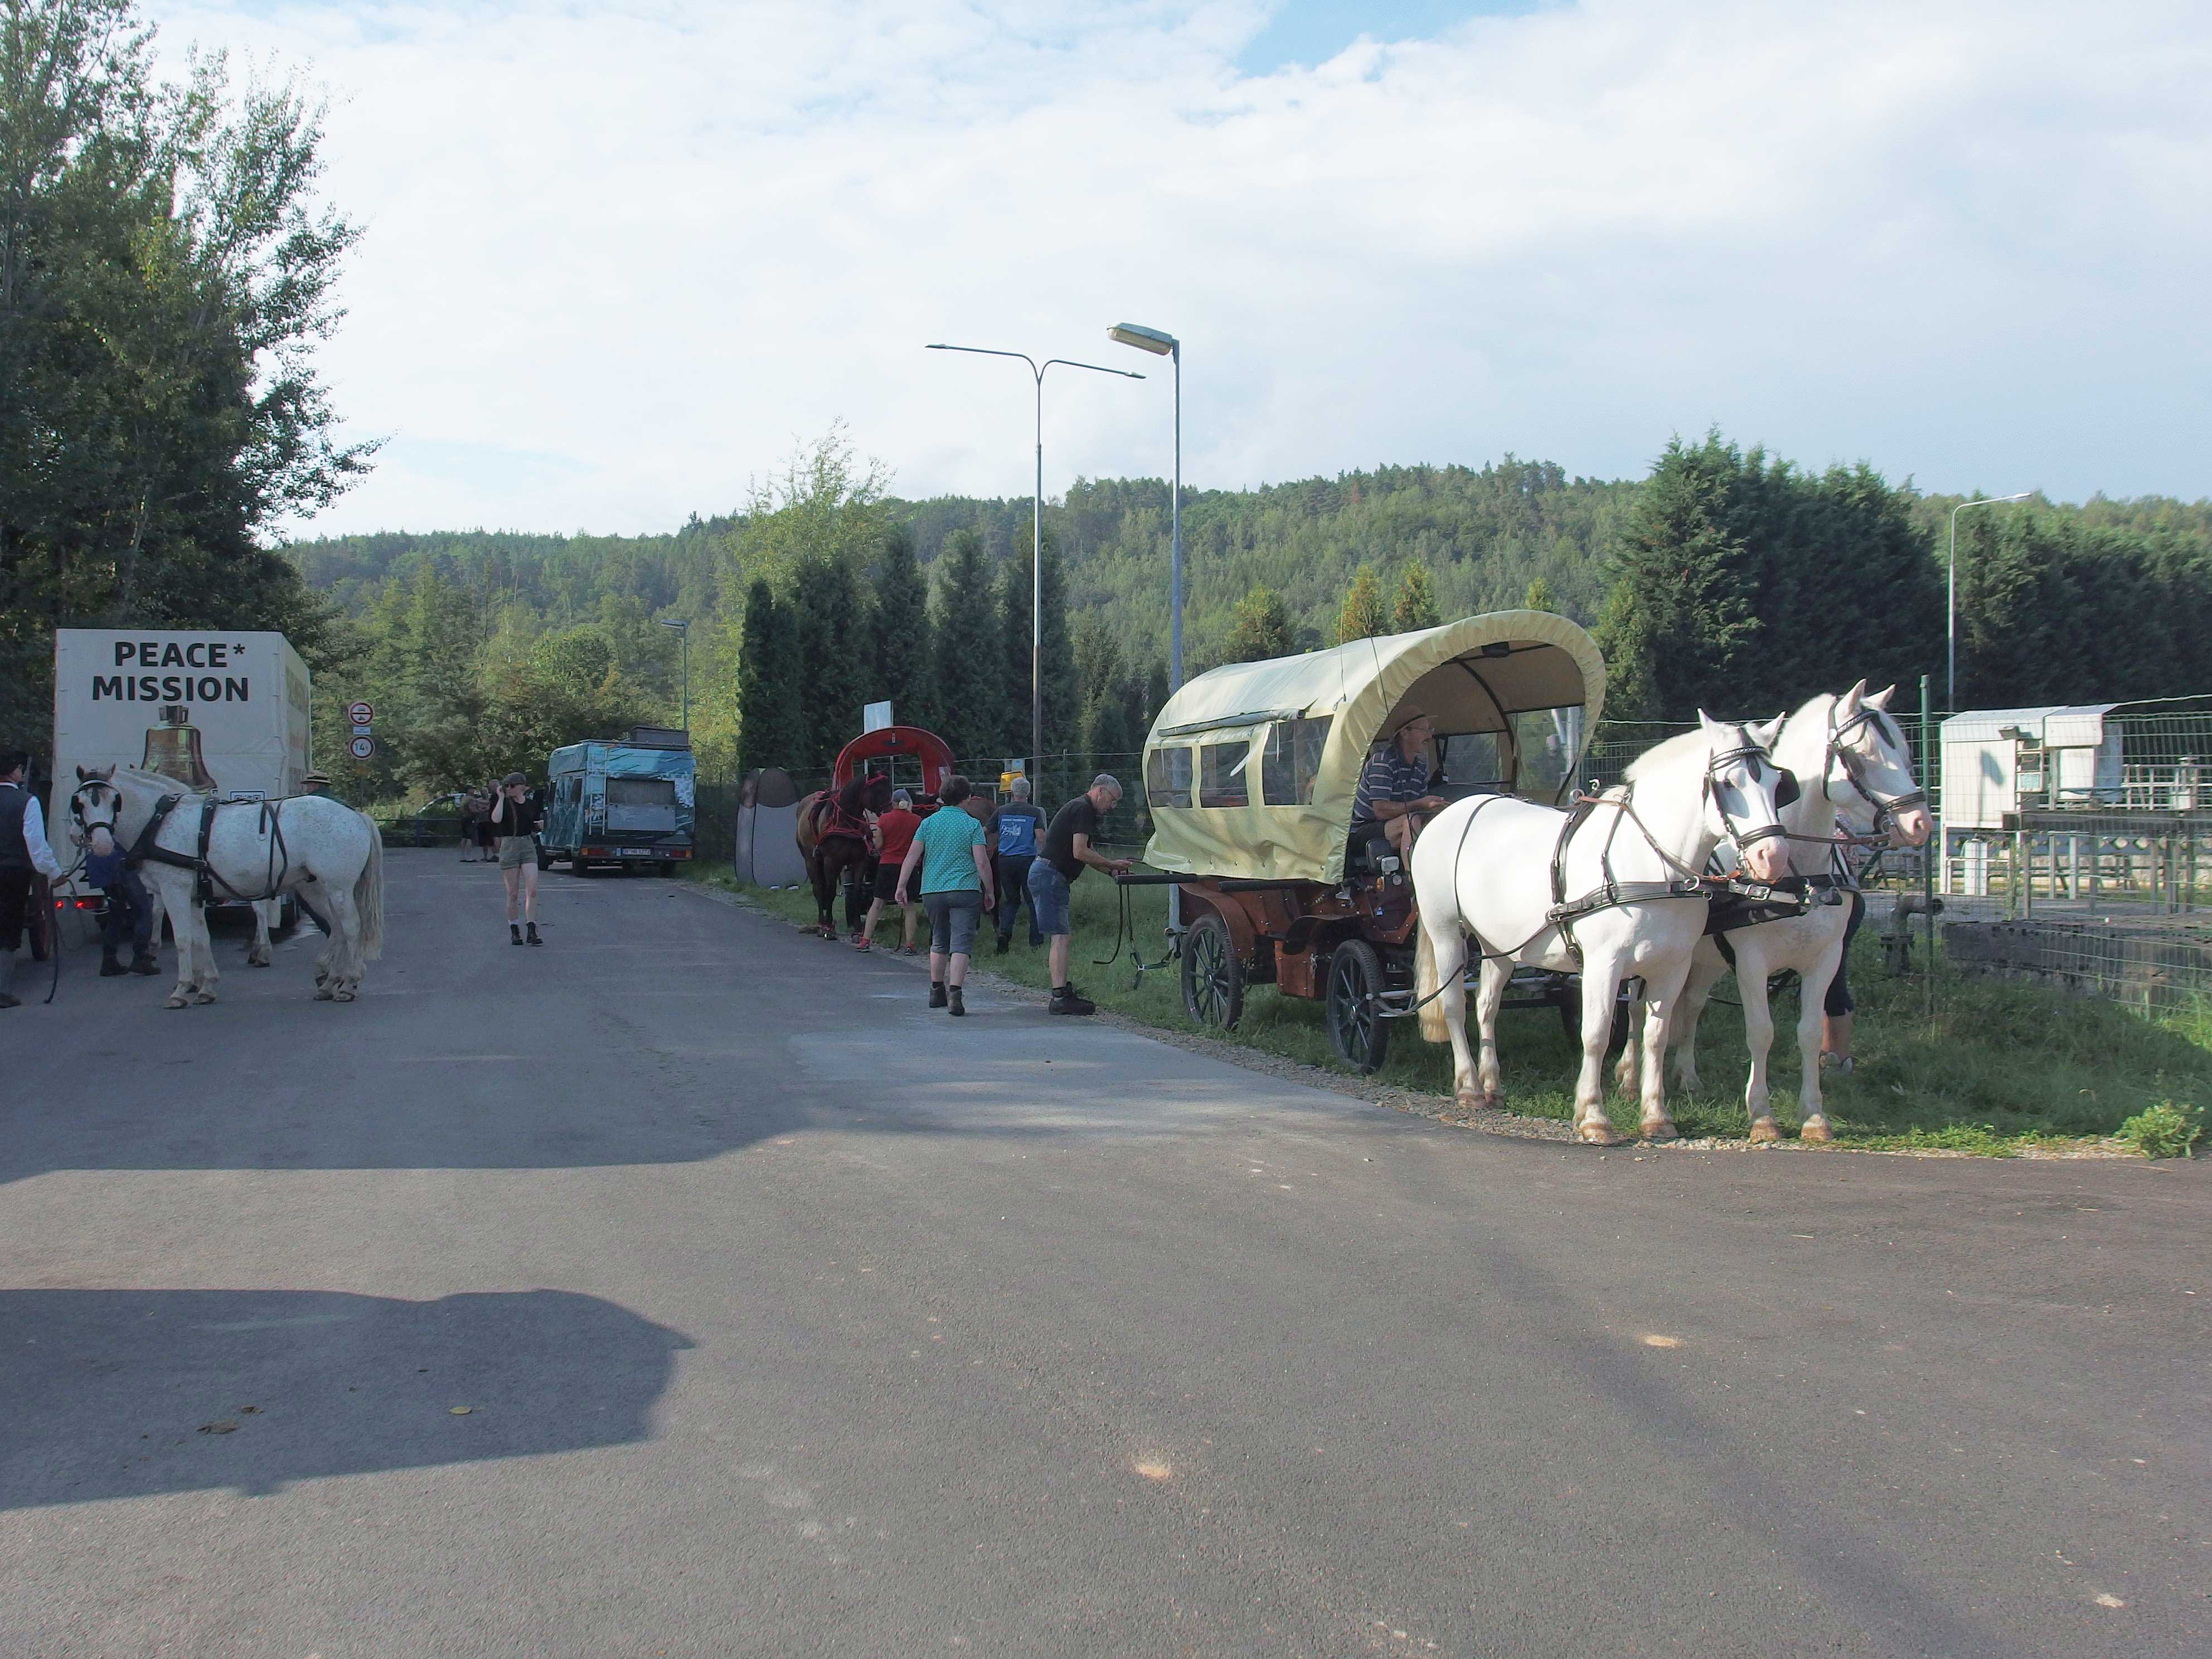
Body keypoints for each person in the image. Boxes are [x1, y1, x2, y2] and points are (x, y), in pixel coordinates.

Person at [1030, 773, 1132, 1016]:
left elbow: (1088, 851)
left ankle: (1062, 992)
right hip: (1051, 875)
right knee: (1061, 936)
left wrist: (1111, 871)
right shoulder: (1083, 809)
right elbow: (1080, 853)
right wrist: (1112, 863)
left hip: (1049, 874)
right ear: (1100, 791)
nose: (1113, 807)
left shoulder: (1081, 809)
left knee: (1061, 934)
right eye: (1113, 800)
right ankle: (1060, 997)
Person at [895, 773, 993, 1016]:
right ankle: (955, 995)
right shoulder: (971, 825)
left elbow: (912, 856)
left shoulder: (927, 824)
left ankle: (936, 991)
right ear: (967, 799)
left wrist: (901, 885)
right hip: (965, 890)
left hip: (933, 890)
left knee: (938, 940)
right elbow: (981, 862)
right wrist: (989, 890)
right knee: (961, 942)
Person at [0, 751, 67, 1008]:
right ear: (13, 772)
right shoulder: (26, 802)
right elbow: (37, 846)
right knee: (7, 930)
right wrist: (54, 874)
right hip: (12, 872)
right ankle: (1, 991)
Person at [1351, 714, 1449, 861]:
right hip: (1363, 831)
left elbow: (1420, 808)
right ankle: (1412, 877)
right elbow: (1380, 811)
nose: (1429, 736)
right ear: (1405, 733)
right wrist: (1420, 804)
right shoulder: (1383, 762)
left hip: (1396, 826)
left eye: (1430, 730)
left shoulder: (1420, 767)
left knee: (1436, 820)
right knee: (1412, 821)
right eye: (1424, 730)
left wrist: (1436, 807)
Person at [81, 809, 159, 978]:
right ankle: (140, 958)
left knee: (116, 915)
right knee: (143, 910)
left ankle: (109, 961)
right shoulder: (114, 810)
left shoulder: (91, 813)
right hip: (123, 865)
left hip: (102, 867)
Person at [987, 777, 1047, 955]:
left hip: (1004, 860)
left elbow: (987, 831)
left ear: (1012, 792)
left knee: (1011, 900)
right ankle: (1036, 942)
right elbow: (1041, 838)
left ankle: (1004, 934)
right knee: (1032, 900)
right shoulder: (1034, 812)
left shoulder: (1002, 811)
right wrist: (1041, 857)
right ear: (1028, 793)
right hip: (1027, 860)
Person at [860, 789, 922, 954]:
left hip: (887, 866)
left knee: (878, 904)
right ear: (908, 802)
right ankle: (910, 945)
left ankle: (865, 940)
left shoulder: (884, 820)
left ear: (893, 803)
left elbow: (879, 845)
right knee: (909, 907)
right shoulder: (917, 820)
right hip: (909, 867)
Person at [488, 772, 543, 945]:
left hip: (527, 845)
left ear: (523, 787)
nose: (509, 788)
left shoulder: (532, 804)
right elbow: (496, 820)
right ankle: (514, 929)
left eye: (513, 785)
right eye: (507, 786)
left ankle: (532, 929)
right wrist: (501, 797)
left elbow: (534, 824)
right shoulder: (502, 802)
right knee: (512, 893)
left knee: (532, 889)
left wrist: (539, 826)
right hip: (509, 845)